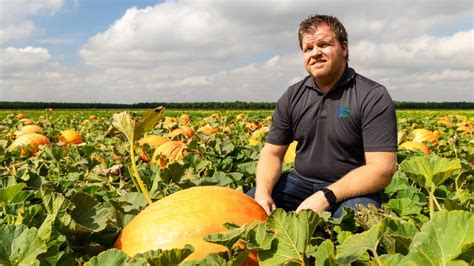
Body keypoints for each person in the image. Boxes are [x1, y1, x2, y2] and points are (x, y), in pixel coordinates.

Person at [246, 14, 397, 218]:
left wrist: (325, 196)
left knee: (357, 224)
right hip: (299, 184)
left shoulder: (372, 95)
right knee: (245, 208)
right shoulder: (292, 96)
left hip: (352, 190)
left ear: (344, 48)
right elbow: (272, 153)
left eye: (324, 45)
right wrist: (263, 194)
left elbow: (382, 170)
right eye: (308, 48)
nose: (315, 53)